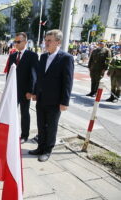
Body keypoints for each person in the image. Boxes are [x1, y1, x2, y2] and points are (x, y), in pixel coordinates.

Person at [31, 29, 74, 162]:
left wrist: (64, 102)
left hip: (55, 100)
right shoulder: (43, 56)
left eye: (49, 40)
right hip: (42, 98)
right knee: (41, 124)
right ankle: (40, 147)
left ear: (58, 42)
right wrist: (35, 92)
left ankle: (48, 150)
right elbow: (39, 77)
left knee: (51, 126)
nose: (46, 42)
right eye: (46, 40)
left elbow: (68, 81)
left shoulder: (66, 58)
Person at [7, 32, 38, 144]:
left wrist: (31, 91)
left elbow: (34, 75)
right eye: (15, 41)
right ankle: (11, 132)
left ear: (25, 42)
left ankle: (24, 135)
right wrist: (8, 89)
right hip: (13, 90)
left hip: (25, 91)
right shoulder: (12, 56)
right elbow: (9, 74)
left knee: (24, 113)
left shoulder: (32, 56)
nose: (16, 44)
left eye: (18, 42)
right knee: (11, 112)